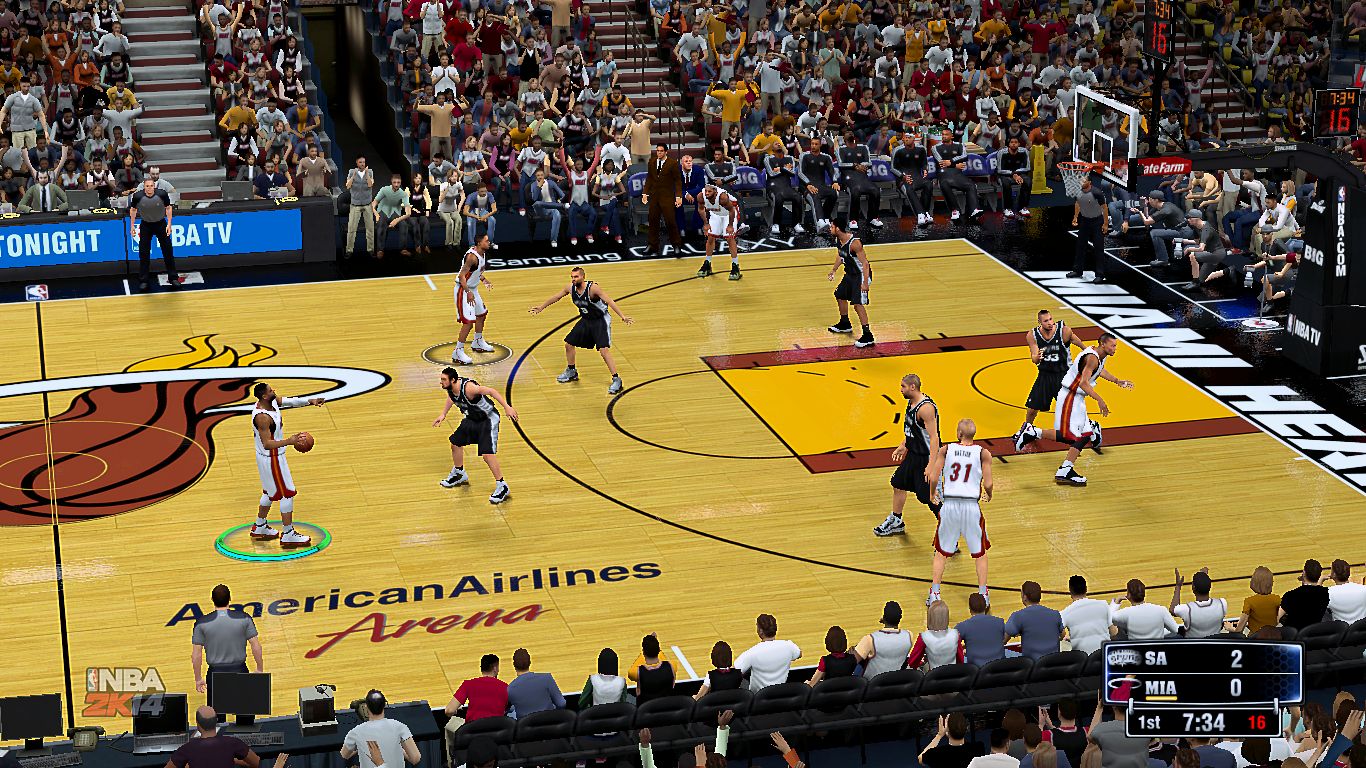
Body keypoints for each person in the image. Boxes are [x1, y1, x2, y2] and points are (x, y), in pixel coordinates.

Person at [1014, 334, 1134, 487]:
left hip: (1076, 397)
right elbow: (1084, 383)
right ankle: (1033, 433)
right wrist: (1100, 400)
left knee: (1084, 435)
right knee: (1073, 436)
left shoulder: (1099, 356)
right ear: (1103, 344)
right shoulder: (1092, 358)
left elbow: (1100, 370)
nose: (1115, 348)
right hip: (1070, 396)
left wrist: (1117, 380)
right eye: (1113, 345)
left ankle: (1065, 469)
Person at [528, 267, 634, 394]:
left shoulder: (593, 288)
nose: (573, 279)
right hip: (586, 320)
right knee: (569, 344)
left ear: (583, 277)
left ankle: (616, 379)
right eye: (572, 277)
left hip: (600, 320)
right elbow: (556, 297)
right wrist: (541, 307)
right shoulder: (570, 288)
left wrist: (622, 316)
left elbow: (609, 301)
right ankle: (571, 371)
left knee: (603, 350)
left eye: (576, 277)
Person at [245, 382, 324, 547]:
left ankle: (259, 526)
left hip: (268, 458)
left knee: (269, 493)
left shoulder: (271, 402)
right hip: (272, 458)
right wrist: (290, 441)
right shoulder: (262, 417)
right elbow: (267, 443)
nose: (273, 390)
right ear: (264, 396)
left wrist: (310, 401)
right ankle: (288, 534)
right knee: (287, 493)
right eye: (270, 390)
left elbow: (290, 401)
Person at [926, 418, 994, 606]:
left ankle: (935, 593)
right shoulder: (983, 453)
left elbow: (933, 476)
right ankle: (983, 594)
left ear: (958, 434)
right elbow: (988, 483)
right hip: (971, 507)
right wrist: (989, 494)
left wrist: (932, 493)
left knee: (941, 552)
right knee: (980, 553)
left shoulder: (946, 450)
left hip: (950, 506)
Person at [434, 366, 518, 504]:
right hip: (472, 418)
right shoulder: (451, 389)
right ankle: (459, 473)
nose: (441, 382)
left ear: (453, 380)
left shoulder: (469, 388)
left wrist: (507, 407)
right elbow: (452, 398)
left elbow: (491, 391)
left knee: (487, 454)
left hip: (488, 419)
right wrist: (443, 414)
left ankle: (502, 486)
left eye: (444, 379)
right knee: (455, 443)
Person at [874, 373, 940, 537]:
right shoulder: (911, 403)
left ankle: (949, 536)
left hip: (926, 458)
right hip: (913, 456)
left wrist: (931, 465)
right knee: (898, 483)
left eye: (903, 386)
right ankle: (896, 521)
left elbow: (934, 438)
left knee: (930, 498)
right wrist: (904, 445)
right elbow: (914, 430)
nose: (900, 389)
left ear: (913, 387)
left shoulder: (925, 409)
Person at [1015, 310, 1082, 440]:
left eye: (1051, 319)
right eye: (1046, 321)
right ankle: (1026, 430)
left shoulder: (1064, 331)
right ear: (1039, 322)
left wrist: (1089, 352)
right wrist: (1037, 357)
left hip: (1063, 376)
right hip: (1045, 375)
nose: (1050, 323)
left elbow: (1079, 343)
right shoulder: (1032, 335)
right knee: (1032, 409)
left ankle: (1086, 431)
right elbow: (1034, 358)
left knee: (1071, 409)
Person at [191, 585, 263, 704]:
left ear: (212, 599)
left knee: (217, 715)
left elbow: (196, 655)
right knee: (244, 713)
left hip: (215, 674)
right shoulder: (244, 618)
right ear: (230, 598)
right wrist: (259, 669)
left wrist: (198, 679)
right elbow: (256, 646)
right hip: (240, 671)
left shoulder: (201, 623)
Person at [442, 654, 509, 759]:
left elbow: (448, 710)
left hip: (472, 733)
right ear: (495, 668)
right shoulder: (506, 687)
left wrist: (455, 712)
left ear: (481, 668)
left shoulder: (468, 684)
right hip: (496, 734)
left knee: (450, 726)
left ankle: (454, 761)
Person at [340, 690, 422, 768]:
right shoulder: (400, 727)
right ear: (384, 705)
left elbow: (344, 755)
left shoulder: (355, 732)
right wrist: (399, 748)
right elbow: (415, 759)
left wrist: (360, 747)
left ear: (366, 706)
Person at [826, 221, 874, 348]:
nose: (830, 228)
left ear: (838, 228)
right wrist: (834, 270)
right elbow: (841, 255)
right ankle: (845, 324)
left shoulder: (855, 243)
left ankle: (868, 335)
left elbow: (865, 264)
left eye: (832, 226)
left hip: (861, 275)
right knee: (840, 295)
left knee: (857, 305)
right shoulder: (839, 240)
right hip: (850, 274)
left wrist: (865, 283)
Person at [452, 234, 497, 365]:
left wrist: (484, 280)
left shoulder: (482, 253)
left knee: (482, 315)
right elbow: (461, 276)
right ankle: (458, 352)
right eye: (486, 241)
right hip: (463, 289)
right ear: (479, 243)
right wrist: (468, 292)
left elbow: (476, 272)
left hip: (473, 289)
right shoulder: (472, 257)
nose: (489, 242)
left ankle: (477, 342)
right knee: (468, 323)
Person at [167, 707, 260, 768]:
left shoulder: (186, 749)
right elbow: (257, 764)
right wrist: (235, 761)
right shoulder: (233, 743)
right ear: (216, 722)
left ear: (198, 724)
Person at [129, 177, 178, 292]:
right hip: (146, 225)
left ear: (154, 186)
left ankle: (173, 278)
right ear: (144, 187)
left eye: (151, 186)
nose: (149, 188)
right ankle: (144, 281)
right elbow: (133, 210)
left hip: (161, 224)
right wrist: (132, 226)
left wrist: (169, 224)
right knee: (144, 253)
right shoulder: (137, 196)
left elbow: (168, 208)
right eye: (147, 186)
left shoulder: (162, 194)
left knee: (168, 251)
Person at [736, 613, 802, 692]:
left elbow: (735, 671)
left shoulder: (752, 653)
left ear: (760, 631)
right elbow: (799, 654)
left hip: (758, 697)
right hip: (779, 693)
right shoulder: (789, 646)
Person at [853, 600, 914, 678]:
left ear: (883, 618)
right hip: (896, 679)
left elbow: (852, 663)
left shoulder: (870, 639)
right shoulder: (909, 635)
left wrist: (852, 653)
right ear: (900, 618)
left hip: (872, 682)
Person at [642, 142, 682, 256]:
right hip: (654, 197)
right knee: (653, 221)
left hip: (667, 197)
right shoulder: (652, 162)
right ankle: (652, 245)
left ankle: (676, 245)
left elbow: (677, 181)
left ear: (666, 152)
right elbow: (649, 178)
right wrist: (645, 193)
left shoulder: (673, 163)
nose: (659, 153)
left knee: (670, 221)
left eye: (661, 151)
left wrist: (678, 196)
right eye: (657, 151)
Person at [696, 182, 743, 280]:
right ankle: (707, 263)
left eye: (709, 191)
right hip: (716, 214)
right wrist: (706, 223)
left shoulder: (723, 197)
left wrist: (730, 225)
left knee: (729, 238)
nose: (707, 193)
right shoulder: (701, 196)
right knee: (710, 237)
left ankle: (735, 266)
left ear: (715, 191)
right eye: (706, 191)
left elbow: (731, 210)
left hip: (729, 214)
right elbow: (701, 209)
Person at [1005, 581, 1064, 659]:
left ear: (1024, 597)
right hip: (1054, 661)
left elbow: (1003, 640)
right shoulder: (1055, 614)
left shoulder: (1018, 616)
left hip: (1033, 664)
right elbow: (1062, 635)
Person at [1068, 178, 1109, 283]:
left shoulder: (1097, 193)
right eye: (1080, 181)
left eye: (1084, 181)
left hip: (1097, 222)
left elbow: (1104, 208)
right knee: (1080, 246)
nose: (1081, 183)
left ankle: (1100, 274)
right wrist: (1075, 217)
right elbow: (1077, 204)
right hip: (1085, 221)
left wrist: (1105, 224)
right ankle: (1077, 270)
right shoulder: (1078, 192)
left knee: (1098, 248)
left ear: (1089, 182)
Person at [1110, 579, 1178, 640]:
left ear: (1129, 595)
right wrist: (1159, 633)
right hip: (1157, 649)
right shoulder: (1161, 610)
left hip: (1136, 649)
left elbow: (1108, 617)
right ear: (1144, 594)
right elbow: (1175, 630)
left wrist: (1116, 602)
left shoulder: (1125, 614)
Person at [506, 648, 566, 718]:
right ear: (530, 662)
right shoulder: (547, 678)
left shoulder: (510, 689)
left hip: (526, 724)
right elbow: (561, 704)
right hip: (550, 721)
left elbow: (506, 709)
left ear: (514, 665)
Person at [1169, 569, 1226, 638]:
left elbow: (1172, 609)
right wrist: (1203, 578)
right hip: (1214, 643)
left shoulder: (1187, 610)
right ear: (1210, 586)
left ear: (1193, 588)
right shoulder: (1222, 603)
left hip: (1194, 644)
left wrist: (1178, 586)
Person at [1060, 576, 1110, 655]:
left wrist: (1072, 638)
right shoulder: (1103, 604)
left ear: (1070, 591)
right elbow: (1113, 632)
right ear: (1086, 589)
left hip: (1082, 658)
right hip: (1104, 655)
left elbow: (1058, 635)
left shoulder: (1065, 613)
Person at [956, 593, 1006, 667]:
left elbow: (952, 644)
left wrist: (966, 649)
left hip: (978, 670)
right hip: (1000, 667)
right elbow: (1005, 638)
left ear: (970, 608)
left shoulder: (962, 626)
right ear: (986, 606)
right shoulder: (1000, 622)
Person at [1279, 559, 1330, 631]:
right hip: (1314, 633)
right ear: (1319, 576)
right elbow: (1315, 592)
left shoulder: (1291, 595)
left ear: (1304, 573)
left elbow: (1277, 617)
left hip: (1293, 634)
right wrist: (1320, 580)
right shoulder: (1326, 593)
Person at [1228, 566, 1280, 634]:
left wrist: (1230, 628)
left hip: (1255, 637)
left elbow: (1239, 630)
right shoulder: (1277, 599)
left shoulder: (1249, 601)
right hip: (1273, 635)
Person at [345, 157, 376, 256]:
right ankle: (349, 250)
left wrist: (366, 173)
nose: (362, 164)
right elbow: (348, 186)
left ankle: (371, 249)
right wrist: (354, 175)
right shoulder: (351, 172)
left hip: (367, 204)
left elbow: (370, 185)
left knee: (370, 228)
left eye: (364, 162)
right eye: (360, 162)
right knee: (351, 229)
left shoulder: (370, 172)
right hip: (355, 204)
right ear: (357, 163)